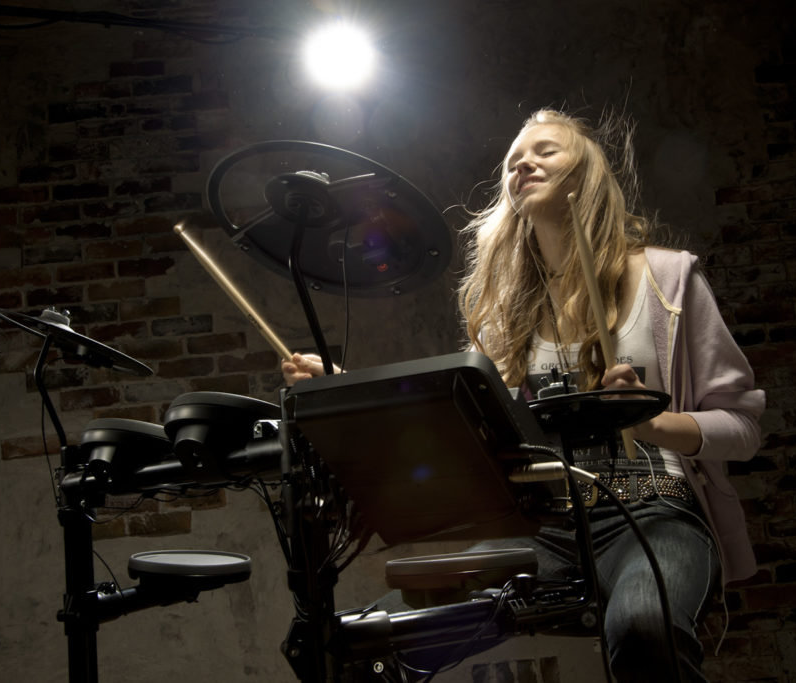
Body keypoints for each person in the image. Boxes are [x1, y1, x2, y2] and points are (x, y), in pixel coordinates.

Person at [283, 109, 764, 682]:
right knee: (372, 640)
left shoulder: (668, 280)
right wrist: (347, 387)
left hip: (656, 509)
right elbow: (471, 435)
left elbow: (743, 428)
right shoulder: (503, 316)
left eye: (545, 152)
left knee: (642, 627)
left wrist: (654, 425)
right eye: (514, 161)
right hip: (546, 526)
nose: (523, 164)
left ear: (585, 175)